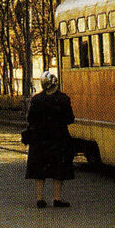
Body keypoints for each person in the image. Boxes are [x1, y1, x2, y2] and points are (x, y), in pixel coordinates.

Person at [25, 71, 75, 208]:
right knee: (58, 169)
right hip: (58, 138)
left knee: (39, 169)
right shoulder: (63, 99)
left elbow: (30, 119)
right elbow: (70, 118)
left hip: (39, 140)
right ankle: (57, 198)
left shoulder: (36, 100)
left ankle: (40, 198)